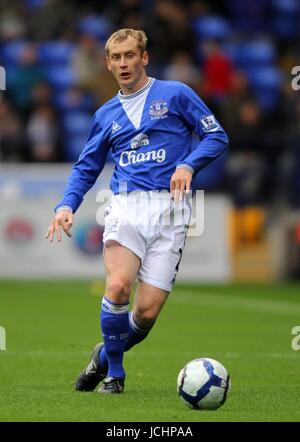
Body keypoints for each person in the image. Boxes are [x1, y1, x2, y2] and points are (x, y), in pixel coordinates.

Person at [45, 29, 228, 394]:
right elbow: (86, 167)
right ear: (108, 64)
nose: (124, 63)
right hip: (125, 205)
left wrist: (188, 165)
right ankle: (115, 375)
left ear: (144, 58)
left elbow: (216, 136)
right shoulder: (105, 115)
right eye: (117, 58)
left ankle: (103, 355)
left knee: (145, 314)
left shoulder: (175, 94)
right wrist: (66, 205)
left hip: (171, 211)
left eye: (131, 55)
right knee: (117, 286)